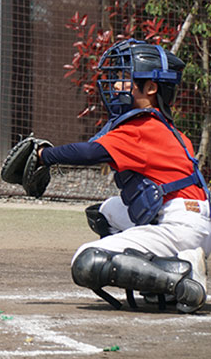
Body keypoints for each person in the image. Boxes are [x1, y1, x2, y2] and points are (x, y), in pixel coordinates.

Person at [34, 39, 210, 313]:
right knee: (106, 212)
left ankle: (182, 277)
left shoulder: (141, 126)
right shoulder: (165, 127)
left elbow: (90, 153)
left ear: (151, 88)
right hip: (192, 219)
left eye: (126, 79)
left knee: (85, 261)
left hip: (182, 229)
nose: (116, 86)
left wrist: (44, 156)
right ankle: (161, 281)